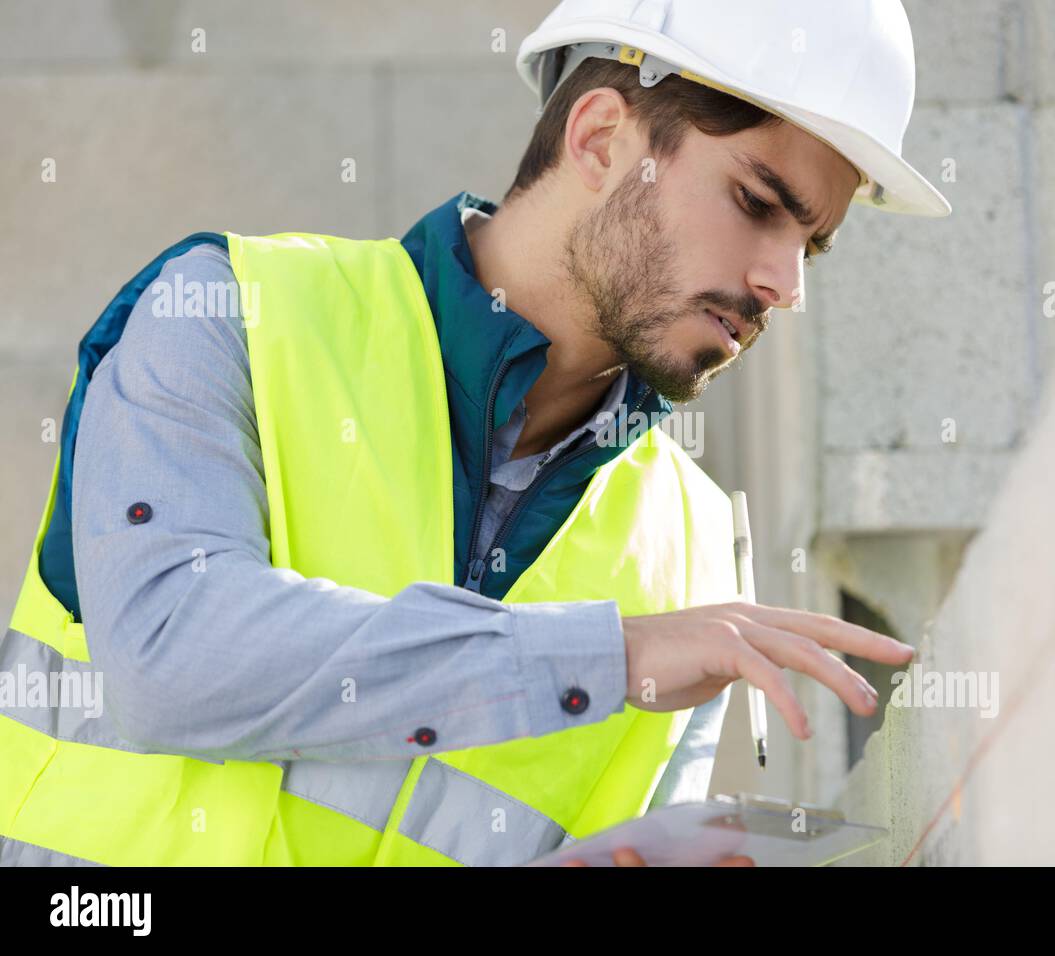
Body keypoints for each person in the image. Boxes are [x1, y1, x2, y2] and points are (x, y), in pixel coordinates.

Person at [0, 0, 948, 868]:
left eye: (810, 243)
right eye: (756, 202)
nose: (788, 283)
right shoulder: (233, 311)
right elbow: (172, 661)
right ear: (603, 138)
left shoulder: (696, 559)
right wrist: (604, 659)